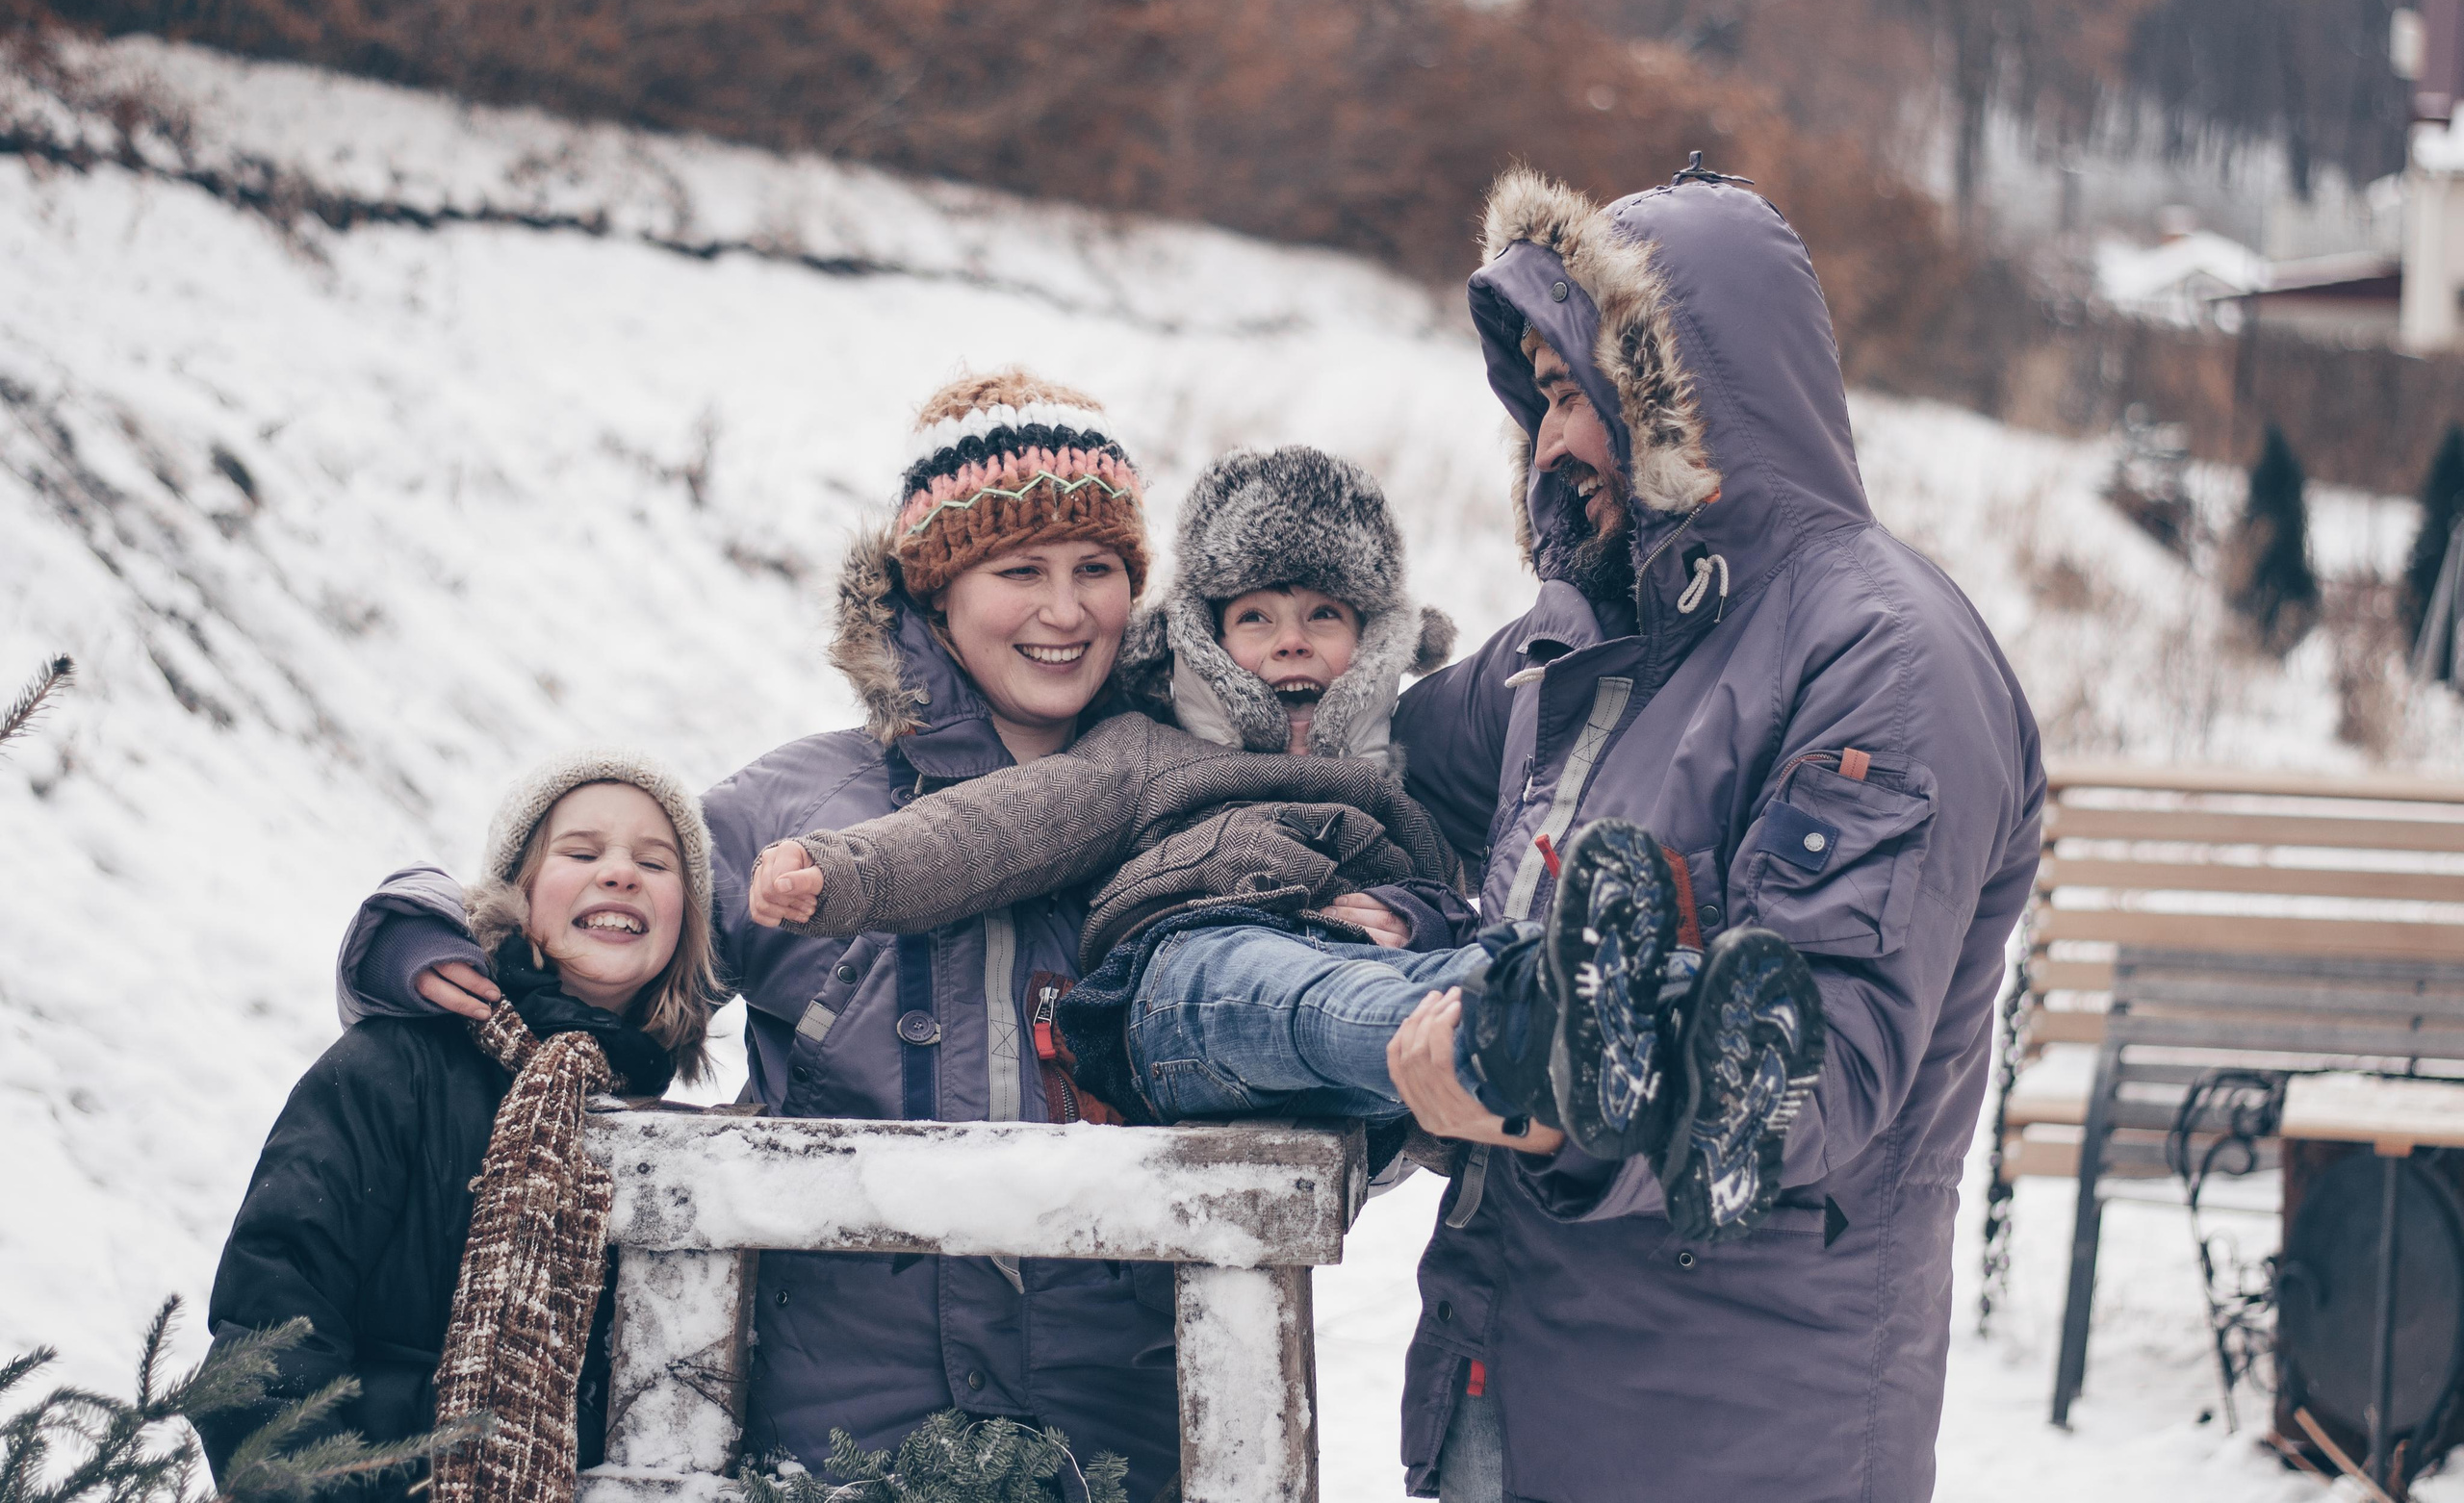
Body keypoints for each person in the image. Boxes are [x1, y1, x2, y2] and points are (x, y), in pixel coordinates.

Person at [326, 373, 1184, 1498]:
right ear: (933, 598)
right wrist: (415, 938)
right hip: (837, 1421)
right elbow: (597, 935)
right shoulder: (795, 810)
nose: (1066, 613)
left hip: (1109, 1418)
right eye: (1018, 570)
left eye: (1097, 571)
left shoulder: (1178, 801)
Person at [1380, 165, 2046, 1503]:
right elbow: (1376, 758)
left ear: (1677, 392)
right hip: (1503, 1383)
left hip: (1735, 1430)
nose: (1550, 438)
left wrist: (1542, 1079)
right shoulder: (1579, 639)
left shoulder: (1883, 656)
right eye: (1543, 398)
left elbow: (1818, 1066)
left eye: (1577, 392)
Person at [748, 448, 1823, 1191]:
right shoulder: (1145, 752)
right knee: (1294, 985)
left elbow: (1456, 889)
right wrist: (843, 873)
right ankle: (1532, 1027)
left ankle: (1685, 1032)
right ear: (1207, 637)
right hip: (1176, 988)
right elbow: (998, 826)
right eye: (1254, 617)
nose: (1290, 641)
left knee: (1439, 966)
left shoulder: (1394, 783)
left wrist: (1414, 917)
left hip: (1356, 1013)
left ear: (1376, 636)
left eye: (1323, 615)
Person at [200, 750, 721, 1503]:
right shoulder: (395, 1066)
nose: (620, 872)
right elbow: (271, 1317)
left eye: (656, 861)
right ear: (516, 892)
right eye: (580, 851)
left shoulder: (667, 1136)